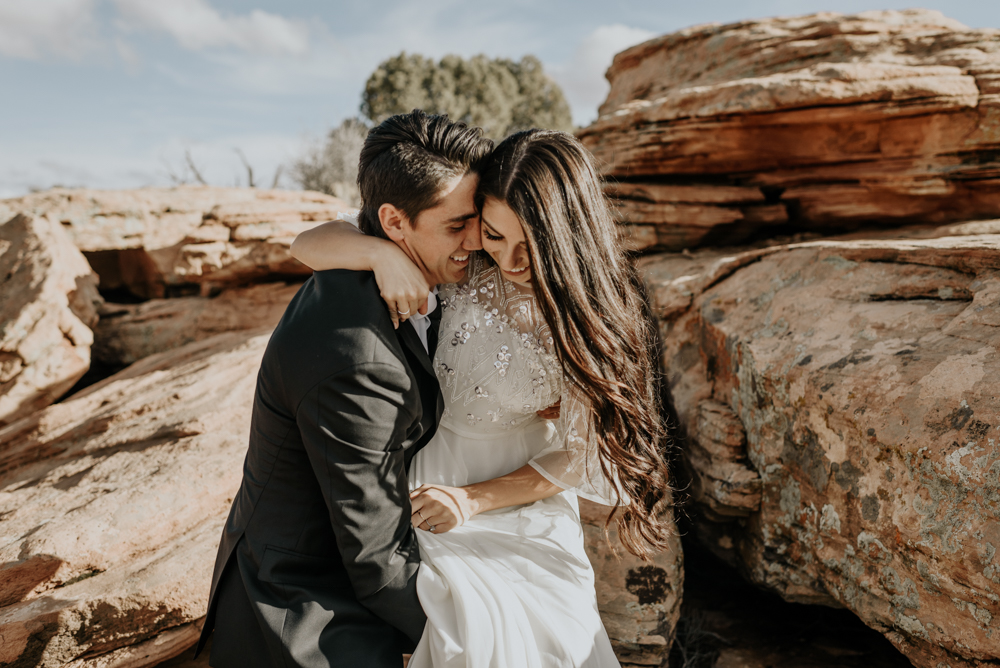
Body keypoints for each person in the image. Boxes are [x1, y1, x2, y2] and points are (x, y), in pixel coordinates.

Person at [291, 129, 673, 667]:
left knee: (548, 640)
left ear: (568, 237)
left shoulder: (602, 310)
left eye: (531, 245)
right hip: (425, 475)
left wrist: (473, 500)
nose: (511, 261)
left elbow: (587, 453)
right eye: (494, 235)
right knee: (457, 633)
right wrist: (381, 255)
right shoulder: (469, 265)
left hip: (522, 496)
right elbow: (305, 243)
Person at [195, 110, 494, 668]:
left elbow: (318, 240)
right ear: (394, 222)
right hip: (309, 611)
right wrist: (473, 640)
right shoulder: (360, 358)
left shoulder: (388, 257)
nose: (476, 240)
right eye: (457, 225)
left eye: (477, 220)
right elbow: (374, 558)